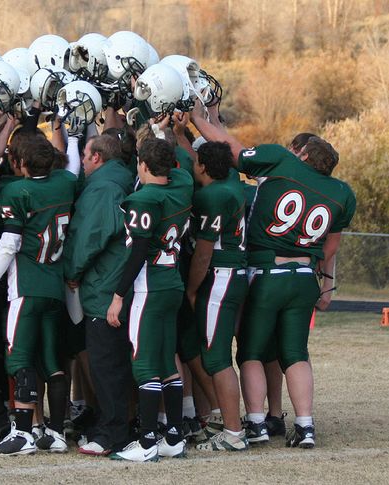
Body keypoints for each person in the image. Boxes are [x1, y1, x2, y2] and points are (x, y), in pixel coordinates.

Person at [191, 108, 356, 449]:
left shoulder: (283, 161)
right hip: (305, 276)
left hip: (267, 272)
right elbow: (330, 247)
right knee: (295, 352)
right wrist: (322, 281)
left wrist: (197, 118)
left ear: (305, 155)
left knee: (250, 351)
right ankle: (306, 426)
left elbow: (230, 147)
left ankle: (255, 424)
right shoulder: (342, 193)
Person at [0, 137, 77, 456]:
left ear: (21, 163)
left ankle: (21, 434)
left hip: (27, 286)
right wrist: (71, 137)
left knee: (19, 358)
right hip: (54, 287)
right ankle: (57, 432)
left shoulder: (16, 192)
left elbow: (8, 245)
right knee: (51, 362)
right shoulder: (65, 182)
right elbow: (71, 166)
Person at [106, 138, 194, 462]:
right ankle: (173, 436)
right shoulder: (182, 184)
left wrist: (117, 297)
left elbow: (138, 254)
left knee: (144, 362)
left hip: (150, 286)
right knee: (166, 358)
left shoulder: (143, 199)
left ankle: (146, 443)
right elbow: (182, 167)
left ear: (142, 165)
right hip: (173, 283)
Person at [63, 134, 134, 456]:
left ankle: (111, 434)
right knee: (113, 363)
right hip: (116, 280)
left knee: (107, 364)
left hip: (105, 284)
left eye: (86, 156)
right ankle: (117, 425)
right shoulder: (120, 178)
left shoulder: (105, 188)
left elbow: (91, 236)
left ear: (96, 158)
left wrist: (73, 272)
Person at [184, 141, 249, 452]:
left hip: (221, 277)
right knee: (213, 352)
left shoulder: (212, 195)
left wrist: (192, 289)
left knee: (217, 357)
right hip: (234, 275)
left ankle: (234, 432)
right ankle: (227, 422)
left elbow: (203, 254)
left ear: (203, 166)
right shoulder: (233, 184)